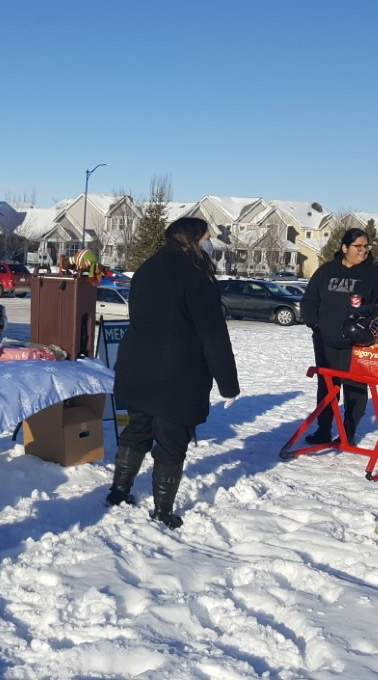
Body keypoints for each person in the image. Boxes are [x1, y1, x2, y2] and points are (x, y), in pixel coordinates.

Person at [109, 217, 240, 528]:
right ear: (193, 239)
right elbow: (213, 335)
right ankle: (163, 511)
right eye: (208, 236)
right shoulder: (197, 276)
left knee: (137, 429)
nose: (211, 242)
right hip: (177, 375)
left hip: (137, 366)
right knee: (171, 440)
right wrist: (228, 383)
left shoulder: (146, 269)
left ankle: (118, 491)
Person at [299, 229, 378, 445]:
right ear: (344, 248)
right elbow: (309, 300)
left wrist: (368, 313)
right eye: (359, 246)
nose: (364, 251)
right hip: (325, 340)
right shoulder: (326, 272)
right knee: (327, 387)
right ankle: (323, 429)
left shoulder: (375, 274)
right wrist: (315, 324)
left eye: (367, 246)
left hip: (358, 343)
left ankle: (348, 432)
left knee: (355, 388)